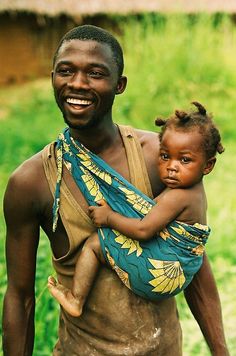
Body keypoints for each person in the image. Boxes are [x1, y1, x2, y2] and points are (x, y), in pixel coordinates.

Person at [2, 24, 229, 356]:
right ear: (53, 77)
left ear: (119, 85)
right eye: (66, 71)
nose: (77, 84)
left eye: (95, 73)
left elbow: (190, 256)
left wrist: (221, 351)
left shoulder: (159, 159)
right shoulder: (31, 182)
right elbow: (19, 297)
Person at [47, 101, 223, 318]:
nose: (172, 166)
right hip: (182, 272)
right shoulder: (193, 191)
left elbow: (143, 230)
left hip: (160, 272)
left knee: (94, 244)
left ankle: (76, 299)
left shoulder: (178, 196)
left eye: (185, 160)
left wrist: (109, 217)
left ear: (208, 166)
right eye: (165, 156)